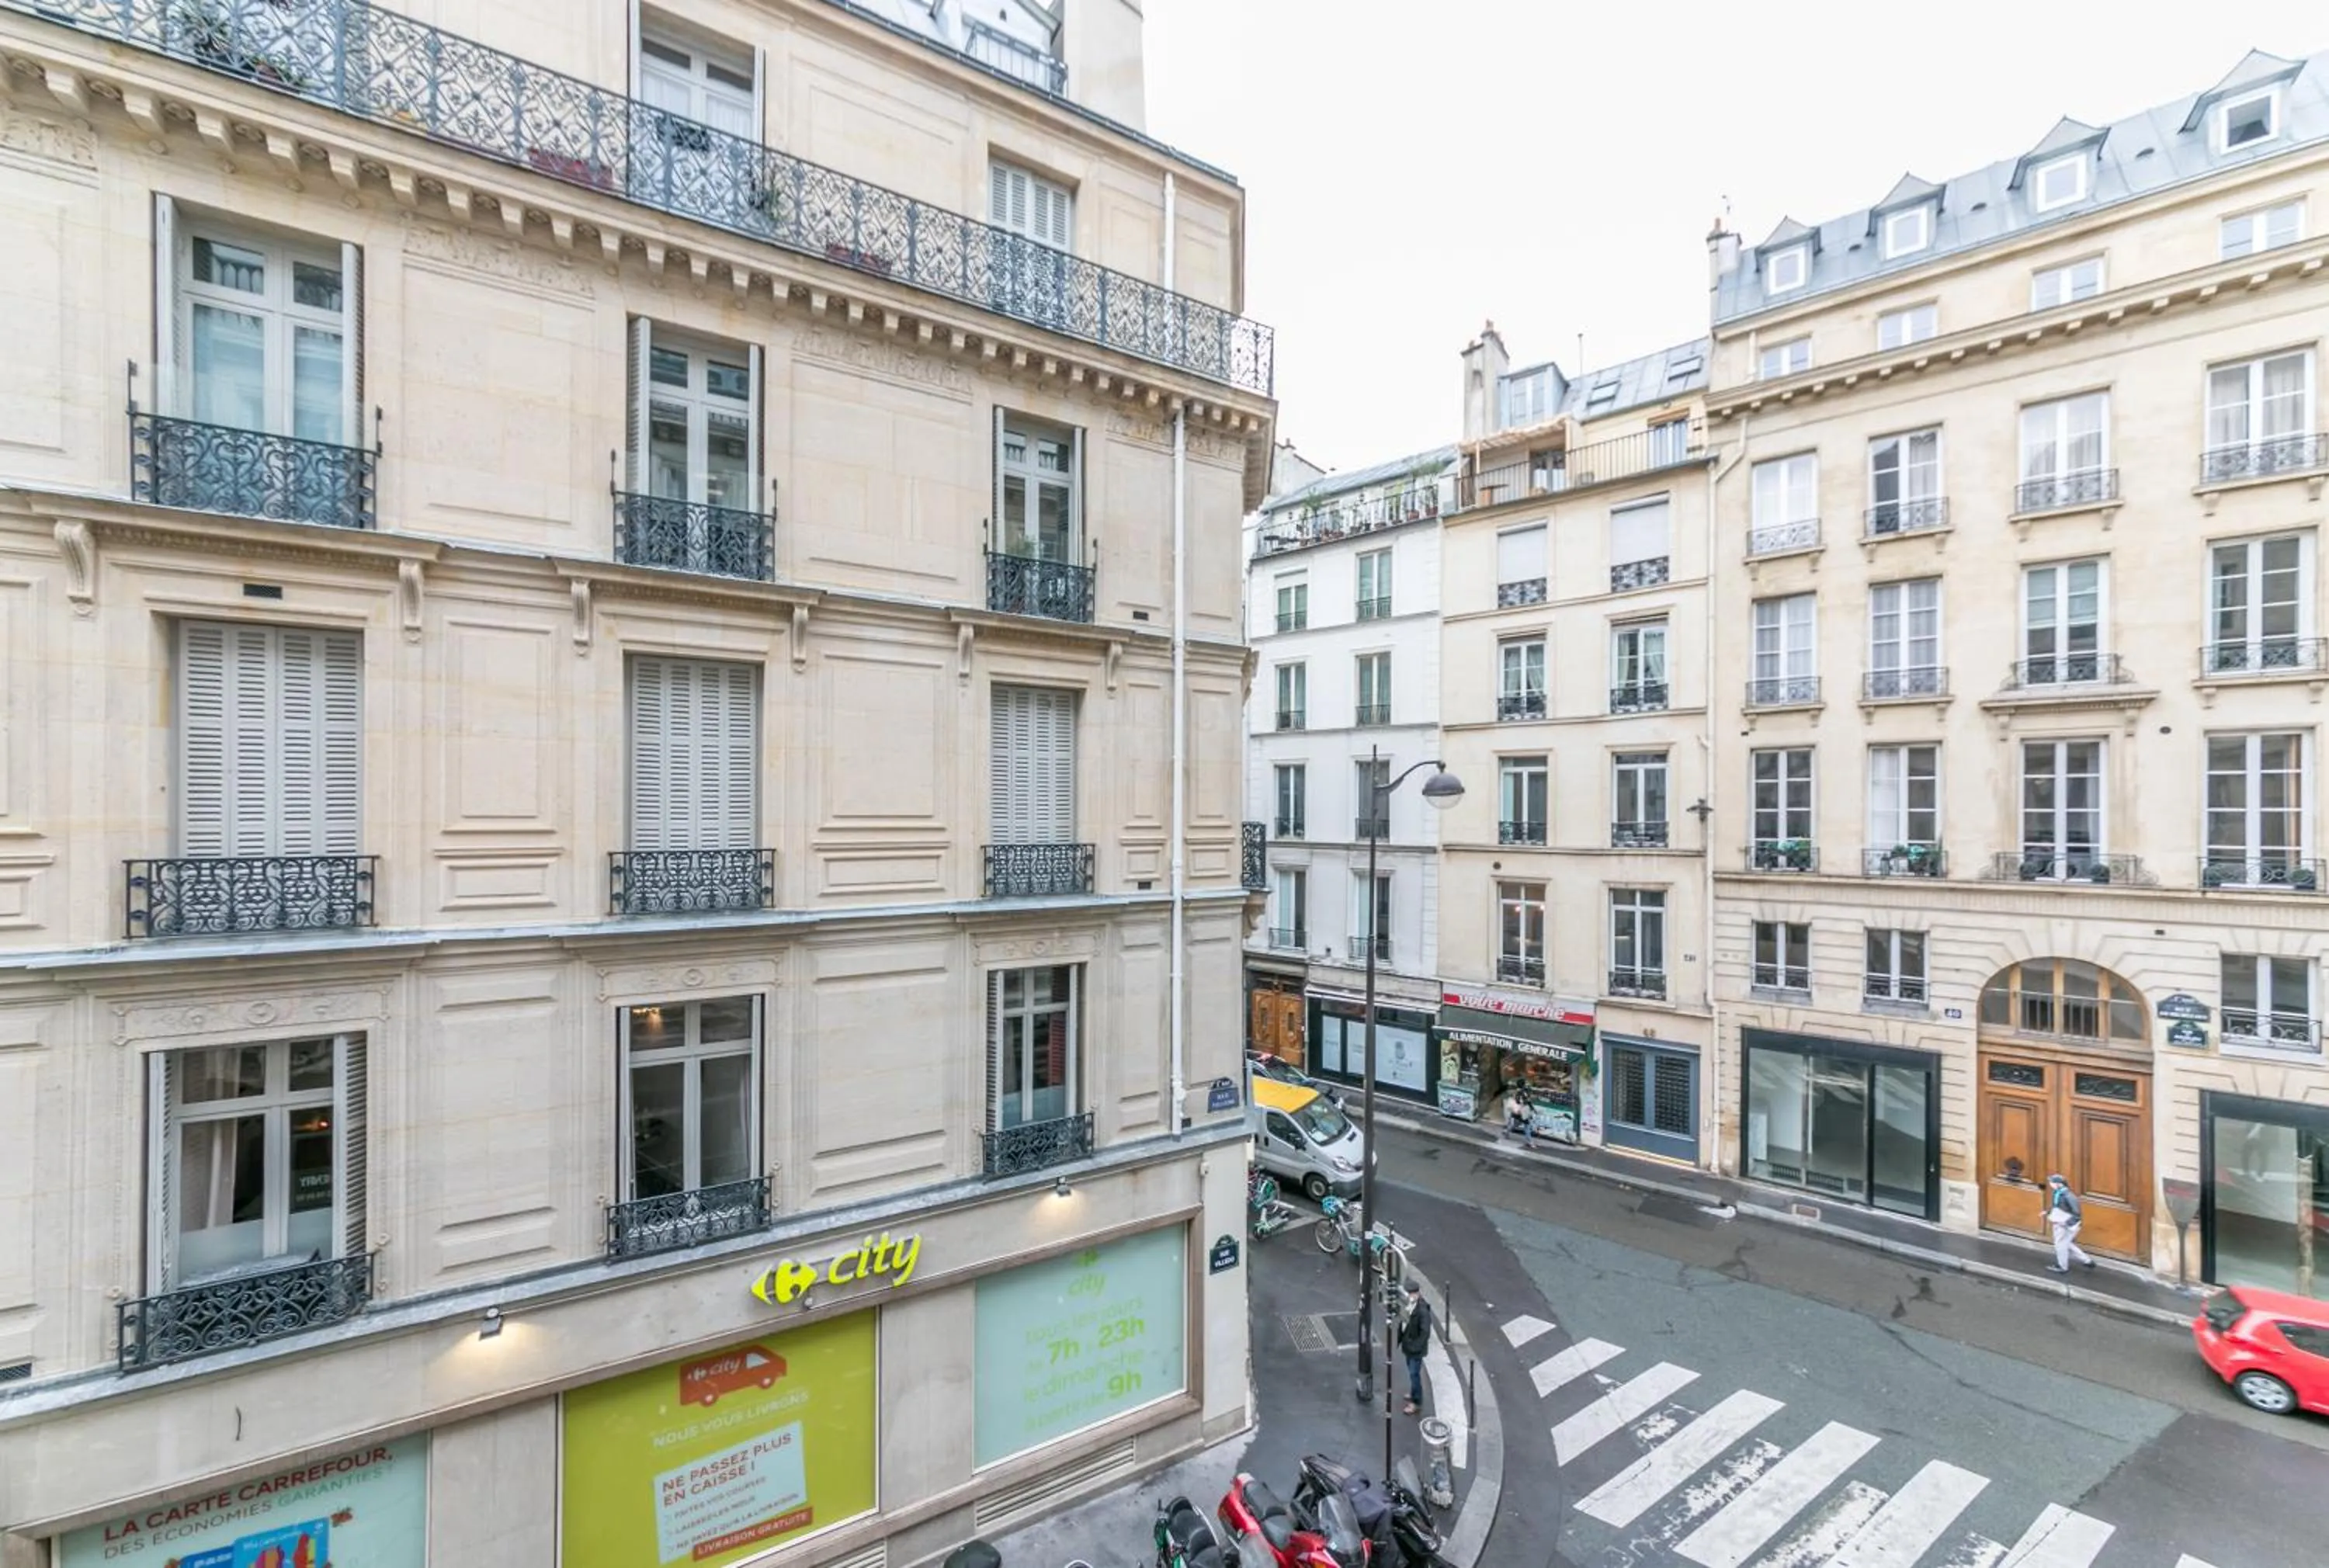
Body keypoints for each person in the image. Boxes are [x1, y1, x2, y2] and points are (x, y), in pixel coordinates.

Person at [2043, 1173, 2095, 1272]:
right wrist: (2048, 1212)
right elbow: (2057, 1206)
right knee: (2066, 1243)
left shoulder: (2069, 1196)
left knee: (2060, 1245)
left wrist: (2066, 1223)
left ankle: (2062, 1267)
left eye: (2052, 1182)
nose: (2050, 1184)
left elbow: (2077, 1214)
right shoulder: (2058, 1193)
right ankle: (2087, 1261)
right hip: (2060, 1221)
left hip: (2064, 1224)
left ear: (2059, 1184)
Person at [1397, 1279, 1433, 1414]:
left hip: (1415, 1349)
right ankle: (1413, 1393)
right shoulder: (1411, 1304)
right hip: (1408, 1346)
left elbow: (1425, 1332)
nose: (1408, 1296)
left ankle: (1416, 1402)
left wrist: (1416, 1347)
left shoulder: (1422, 1310)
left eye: (1410, 1294)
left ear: (1416, 1294)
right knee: (1412, 1374)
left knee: (1414, 1374)